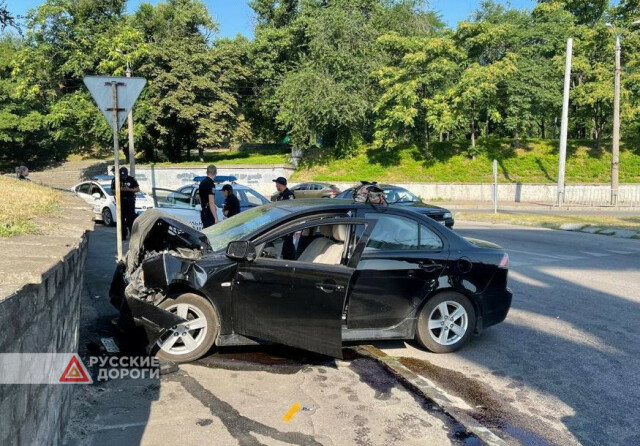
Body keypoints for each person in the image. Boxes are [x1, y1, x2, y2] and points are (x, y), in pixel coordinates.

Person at [111, 166, 140, 240]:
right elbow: (112, 190)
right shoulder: (116, 180)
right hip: (121, 201)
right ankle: (123, 235)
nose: (123, 177)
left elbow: (137, 189)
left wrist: (129, 189)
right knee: (121, 219)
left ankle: (132, 234)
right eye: (122, 175)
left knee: (131, 218)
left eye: (124, 175)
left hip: (130, 201)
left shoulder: (131, 179)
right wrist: (119, 190)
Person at [272, 176, 296, 259]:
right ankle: (286, 259)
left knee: (288, 243)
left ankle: (292, 261)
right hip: (282, 224)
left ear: (280, 184)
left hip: (288, 224)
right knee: (284, 244)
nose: (276, 186)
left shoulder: (289, 195)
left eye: (277, 184)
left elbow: (290, 210)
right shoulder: (280, 195)